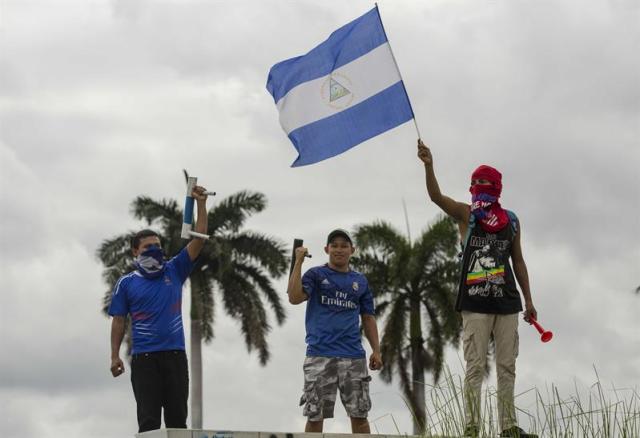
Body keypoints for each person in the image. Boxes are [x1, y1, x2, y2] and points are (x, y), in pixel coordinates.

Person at [417, 140, 538, 438]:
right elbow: (435, 197)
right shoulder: (466, 214)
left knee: (507, 367)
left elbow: (518, 261)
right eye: (475, 182)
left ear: (497, 186)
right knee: (475, 367)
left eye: (485, 181)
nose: (479, 185)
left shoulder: (511, 220)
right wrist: (430, 166)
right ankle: (471, 428)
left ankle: (508, 427)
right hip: (474, 303)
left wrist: (529, 300)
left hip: (508, 303)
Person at [108, 185, 209, 433]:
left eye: (157, 245)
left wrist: (201, 204)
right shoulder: (127, 283)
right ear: (135, 252)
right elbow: (118, 321)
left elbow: (199, 240)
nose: (154, 250)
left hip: (175, 356)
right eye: (147, 247)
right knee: (149, 424)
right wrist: (114, 355)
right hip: (144, 359)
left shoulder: (174, 269)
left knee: (177, 423)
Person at [287, 229, 383, 434]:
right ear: (326, 249)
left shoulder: (360, 281)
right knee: (315, 416)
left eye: (344, 245)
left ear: (352, 250)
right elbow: (294, 297)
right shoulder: (315, 274)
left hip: (353, 356)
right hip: (319, 355)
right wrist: (298, 263)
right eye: (335, 245)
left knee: (360, 416)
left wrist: (376, 350)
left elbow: (368, 317)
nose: (339, 249)